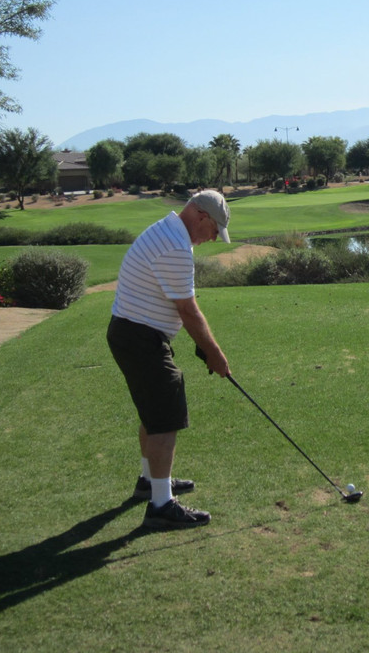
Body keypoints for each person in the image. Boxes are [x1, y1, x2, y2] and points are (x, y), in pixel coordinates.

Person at [107, 189, 232, 530]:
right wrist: (215, 353)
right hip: (139, 337)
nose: (211, 238)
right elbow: (188, 310)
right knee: (165, 418)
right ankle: (160, 504)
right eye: (213, 230)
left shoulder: (167, 230)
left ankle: (150, 481)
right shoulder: (176, 247)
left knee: (153, 412)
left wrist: (203, 346)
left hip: (131, 333)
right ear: (201, 216)